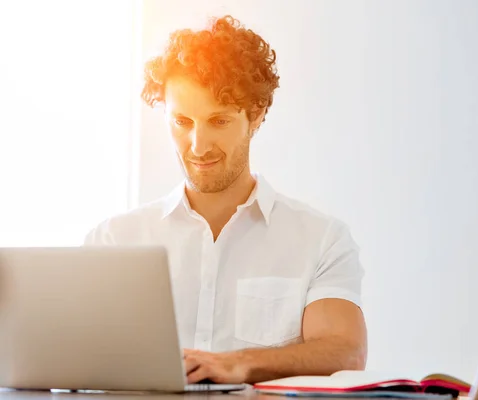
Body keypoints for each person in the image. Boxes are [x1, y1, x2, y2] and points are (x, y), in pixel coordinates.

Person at [84, 15, 367, 384]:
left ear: (256, 116)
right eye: (182, 122)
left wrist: (241, 363)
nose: (198, 147)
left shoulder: (320, 239)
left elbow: (345, 351)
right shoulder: (113, 240)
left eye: (218, 121)